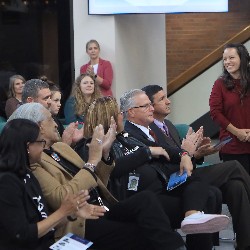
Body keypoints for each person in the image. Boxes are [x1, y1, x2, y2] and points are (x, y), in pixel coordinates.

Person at [9, 103, 187, 250]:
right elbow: (61, 197)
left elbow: (98, 180)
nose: (56, 123)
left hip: (104, 205)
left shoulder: (61, 148)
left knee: (146, 200)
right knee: (140, 232)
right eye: (50, 119)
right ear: (38, 126)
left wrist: (105, 154)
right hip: (81, 220)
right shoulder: (34, 161)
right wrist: (93, 160)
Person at [81, 96, 229, 250]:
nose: (121, 115)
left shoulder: (127, 137)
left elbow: (165, 150)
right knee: (208, 196)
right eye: (119, 112)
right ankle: (190, 223)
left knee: (205, 186)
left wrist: (184, 155)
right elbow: (110, 169)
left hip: (161, 187)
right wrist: (146, 152)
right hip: (132, 198)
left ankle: (192, 216)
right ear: (109, 117)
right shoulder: (92, 145)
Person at [143, 84, 250, 250]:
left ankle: (245, 243)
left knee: (235, 186)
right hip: (175, 179)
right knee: (234, 166)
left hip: (188, 173)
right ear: (150, 105)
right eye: (162, 99)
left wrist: (198, 153)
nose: (168, 101)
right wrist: (187, 152)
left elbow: (185, 157)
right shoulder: (149, 130)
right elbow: (166, 162)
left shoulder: (169, 125)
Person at [0, 119, 101, 250]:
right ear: (27, 146)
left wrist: (72, 213)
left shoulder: (27, 174)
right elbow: (22, 234)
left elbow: (45, 221)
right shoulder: (7, 182)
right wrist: (63, 211)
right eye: (41, 142)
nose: (44, 146)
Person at [209, 43, 250, 174]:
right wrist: (237, 132)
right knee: (239, 187)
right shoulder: (219, 84)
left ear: (242, 59)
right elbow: (215, 112)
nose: (227, 62)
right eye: (225, 59)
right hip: (232, 146)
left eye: (231, 57)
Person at [22, 78, 82, 146]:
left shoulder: (54, 120)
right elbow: (42, 155)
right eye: (46, 98)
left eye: (50, 98)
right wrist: (65, 144)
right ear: (30, 101)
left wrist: (72, 140)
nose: (50, 102)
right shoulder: (22, 127)